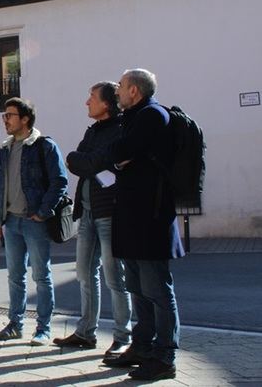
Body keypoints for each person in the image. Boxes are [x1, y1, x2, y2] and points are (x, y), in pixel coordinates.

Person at [103, 69, 184, 381]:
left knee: (157, 291)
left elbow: (119, 151)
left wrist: (118, 157)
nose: (118, 92)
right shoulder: (134, 118)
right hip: (133, 217)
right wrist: (118, 158)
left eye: (121, 86)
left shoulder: (152, 116)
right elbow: (118, 156)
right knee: (137, 287)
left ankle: (165, 357)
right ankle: (142, 347)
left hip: (151, 219)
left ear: (134, 90)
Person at [53, 82, 132, 357]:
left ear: (107, 104)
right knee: (85, 275)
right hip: (86, 213)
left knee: (115, 278)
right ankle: (86, 332)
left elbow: (90, 161)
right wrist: (88, 161)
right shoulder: (93, 131)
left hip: (109, 212)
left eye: (92, 98)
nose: (87, 102)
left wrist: (88, 161)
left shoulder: (120, 129)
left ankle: (123, 336)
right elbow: (74, 160)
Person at [0, 97, 68, 346]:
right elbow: (2, 187)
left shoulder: (44, 146)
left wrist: (43, 212)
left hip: (35, 221)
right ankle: (15, 324)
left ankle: (43, 328)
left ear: (25, 119)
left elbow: (60, 181)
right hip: (11, 221)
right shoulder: (5, 148)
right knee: (15, 276)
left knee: (41, 276)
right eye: (4, 115)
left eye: (9, 115)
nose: (5, 120)